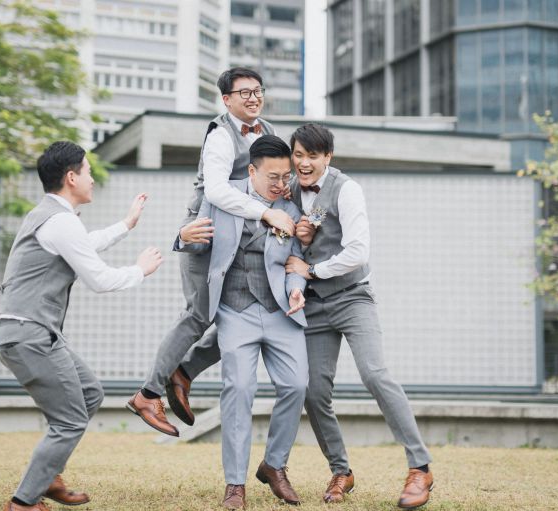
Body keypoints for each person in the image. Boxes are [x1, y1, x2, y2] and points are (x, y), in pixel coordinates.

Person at [175, 124, 435, 509]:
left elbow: (358, 252)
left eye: (313, 156)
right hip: (309, 304)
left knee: (375, 374)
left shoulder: (347, 190)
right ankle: (341, 470)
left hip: (351, 296)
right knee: (312, 392)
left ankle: (419, 467)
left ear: (328, 157)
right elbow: (251, 210)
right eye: (299, 155)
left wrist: (311, 270)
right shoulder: (286, 189)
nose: (304, 163)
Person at [0, 141, 163, 511]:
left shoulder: (50, 216)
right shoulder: (60, 220)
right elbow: (99, 279)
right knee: (70, 420)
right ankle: (23, 502)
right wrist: (140, 270)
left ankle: (49, 475)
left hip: (33, 331)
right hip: (29, 334)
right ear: (71, 177)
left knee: (89, 393)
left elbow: (83, 244)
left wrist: (126, 224)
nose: (92, 179)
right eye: (88, 171)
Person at [126, 67, 296, 436]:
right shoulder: (220, 135)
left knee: (245, 315)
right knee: (199, 315)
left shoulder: (269, 131)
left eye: (258, 90)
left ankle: (184, 371)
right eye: (244, 92)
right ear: (226, 100)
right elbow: (216, 191)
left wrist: (285, 190)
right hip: (206, 235)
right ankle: (148, 394)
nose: (253, 97)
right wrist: (265, 211)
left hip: (243, 241)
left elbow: (273, 178)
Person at [176, 135, 308, 509]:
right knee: (239, 389)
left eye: (285, 177)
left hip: (280, 310)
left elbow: (295, 261)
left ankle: (274, 465)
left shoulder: (292, 209)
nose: (281, 184)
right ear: (252, 171)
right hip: (235, 310)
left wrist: (296, 289)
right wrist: (182, 237)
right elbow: (197, 242)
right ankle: (235, 484)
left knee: (297, 385)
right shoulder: (222, 196)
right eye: (273, 177)